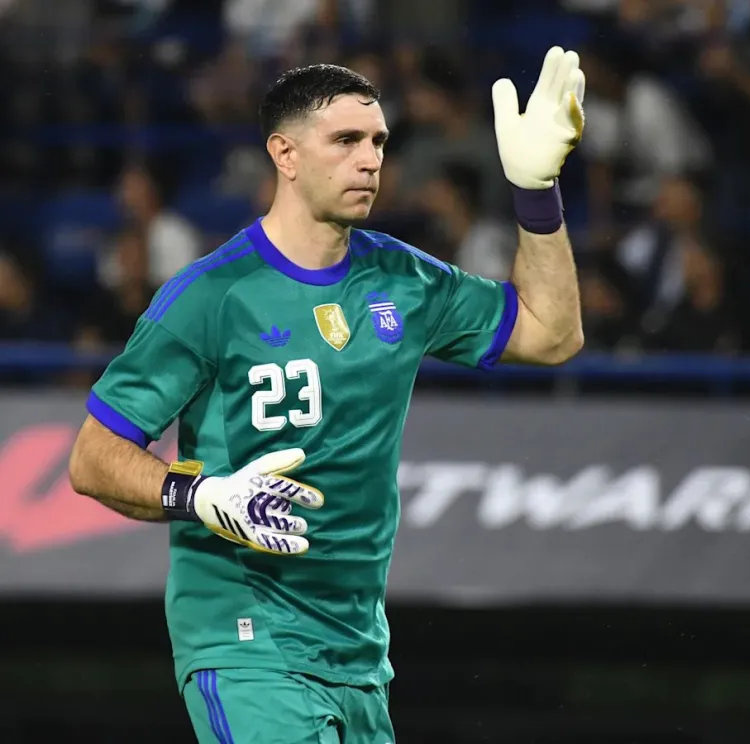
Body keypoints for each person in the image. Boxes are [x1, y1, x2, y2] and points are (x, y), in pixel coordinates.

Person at [68, 47, 587, 744]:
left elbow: (552, 334)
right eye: (345, 140)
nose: (369, 160)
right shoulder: (212, 295)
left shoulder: (404, 279)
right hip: (246, 640)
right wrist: (201, 495)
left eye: (378, 142)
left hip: (357, 652)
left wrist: (536, 192)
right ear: (284, 154)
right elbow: (93, 457)